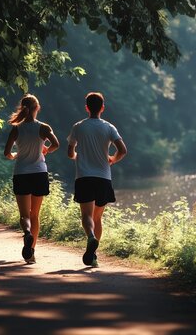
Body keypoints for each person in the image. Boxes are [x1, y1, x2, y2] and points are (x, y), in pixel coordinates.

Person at [67, 92, 127, 267]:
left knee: (86, 215)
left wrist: (78, 155)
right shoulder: (109, 127)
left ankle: (91, 237)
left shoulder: (78, 127)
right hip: (103, 177)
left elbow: (70, 153)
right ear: (102, 107)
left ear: (86, 107)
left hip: (84, 177)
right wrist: (112, 159)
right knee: (97, 218)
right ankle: (93, 255)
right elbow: (123, 150)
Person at [4, 94, 59, 263]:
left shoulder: (16, 128)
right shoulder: (43, 127)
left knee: (24, 215)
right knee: (35, 214)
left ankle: (27, 233)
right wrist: (46, 150)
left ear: (23, 108)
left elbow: (7, 153)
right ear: (38, 108)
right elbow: (56, 144)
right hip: (39, 173)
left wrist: (14, 156)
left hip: (21, 173)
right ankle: (31, 252)